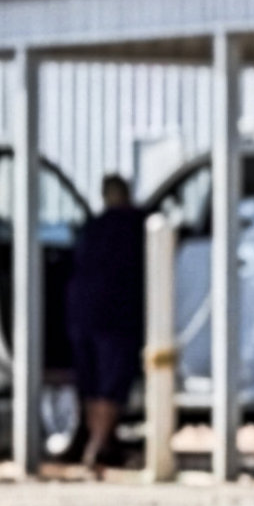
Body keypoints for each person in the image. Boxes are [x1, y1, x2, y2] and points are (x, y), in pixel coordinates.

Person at [62, 175, 143, 476]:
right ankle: (97, 448)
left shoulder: (92, 227)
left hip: (82, 312)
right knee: (111, 382)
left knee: (92, 382)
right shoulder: (136, 224)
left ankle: (98, 445)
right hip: (117, 313)